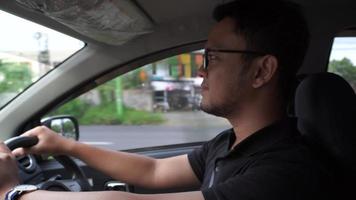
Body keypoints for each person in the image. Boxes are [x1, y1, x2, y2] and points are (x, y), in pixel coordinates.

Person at [0, 0, 332, 199]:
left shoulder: (286, 172)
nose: (201, 72)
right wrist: (66, 146)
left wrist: (11, 191)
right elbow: (154, 171)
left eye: (212, 57)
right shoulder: (229, 143)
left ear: (262, 71)